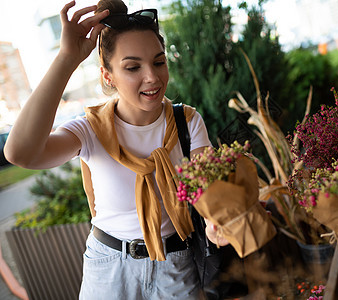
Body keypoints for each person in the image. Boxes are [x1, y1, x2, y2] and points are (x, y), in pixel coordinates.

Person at [4, 0, 227, 298]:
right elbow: (20, 153)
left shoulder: (186, 121)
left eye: (159, 62)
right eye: (133, 67)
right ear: (108, 76)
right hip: (109, 268)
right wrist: (67, 58)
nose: (152, 77)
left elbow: (208, 191)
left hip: (177, 264)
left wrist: (217, 222)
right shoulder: (91, 128)